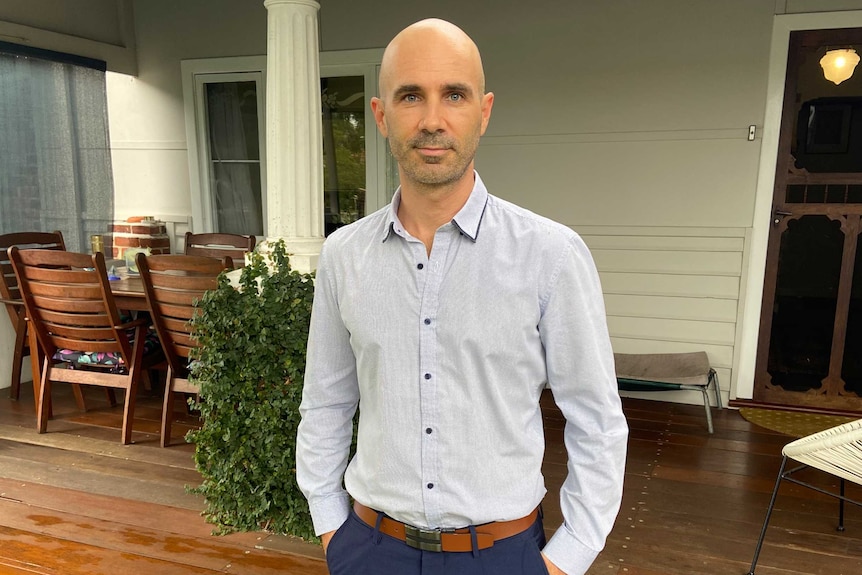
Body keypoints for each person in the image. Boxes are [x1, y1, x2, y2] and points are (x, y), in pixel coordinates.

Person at [296, 17, 628, 575]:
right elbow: (326, 403)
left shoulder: (551, 256)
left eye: (454, 94)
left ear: (484, 111)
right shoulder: (344, 256)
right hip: (370, 551)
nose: (432, 120)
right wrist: (331, 525)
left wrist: (567, 558)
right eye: (410, 96)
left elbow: (596, 421)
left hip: (503, 556)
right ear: (381, 115)